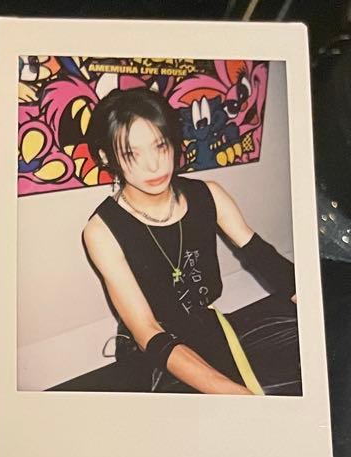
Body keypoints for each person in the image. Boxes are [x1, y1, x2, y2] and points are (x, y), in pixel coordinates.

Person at [81, 87, 299, 395]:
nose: (154, 165)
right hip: (153, 352)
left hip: (204, 325)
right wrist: (238, 396)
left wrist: (310, 298)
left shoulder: (209, 194)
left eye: (160, 146)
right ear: (106, 156)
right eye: (132, 154)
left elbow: (264, 258)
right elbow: (146, 330)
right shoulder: (101, 231)